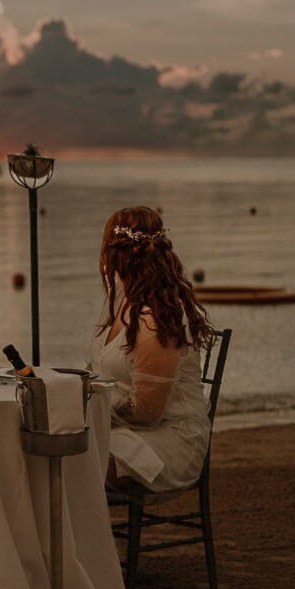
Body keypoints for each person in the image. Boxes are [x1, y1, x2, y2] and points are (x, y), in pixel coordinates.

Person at [87, 206, 214, 493]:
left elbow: (148, 411)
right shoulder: (120, 300)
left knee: (70, 462)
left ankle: (79, 538)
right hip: (122, 429)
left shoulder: (157, 316)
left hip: (167, 440)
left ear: (114, 254)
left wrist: (90, 412)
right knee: (50, 450)